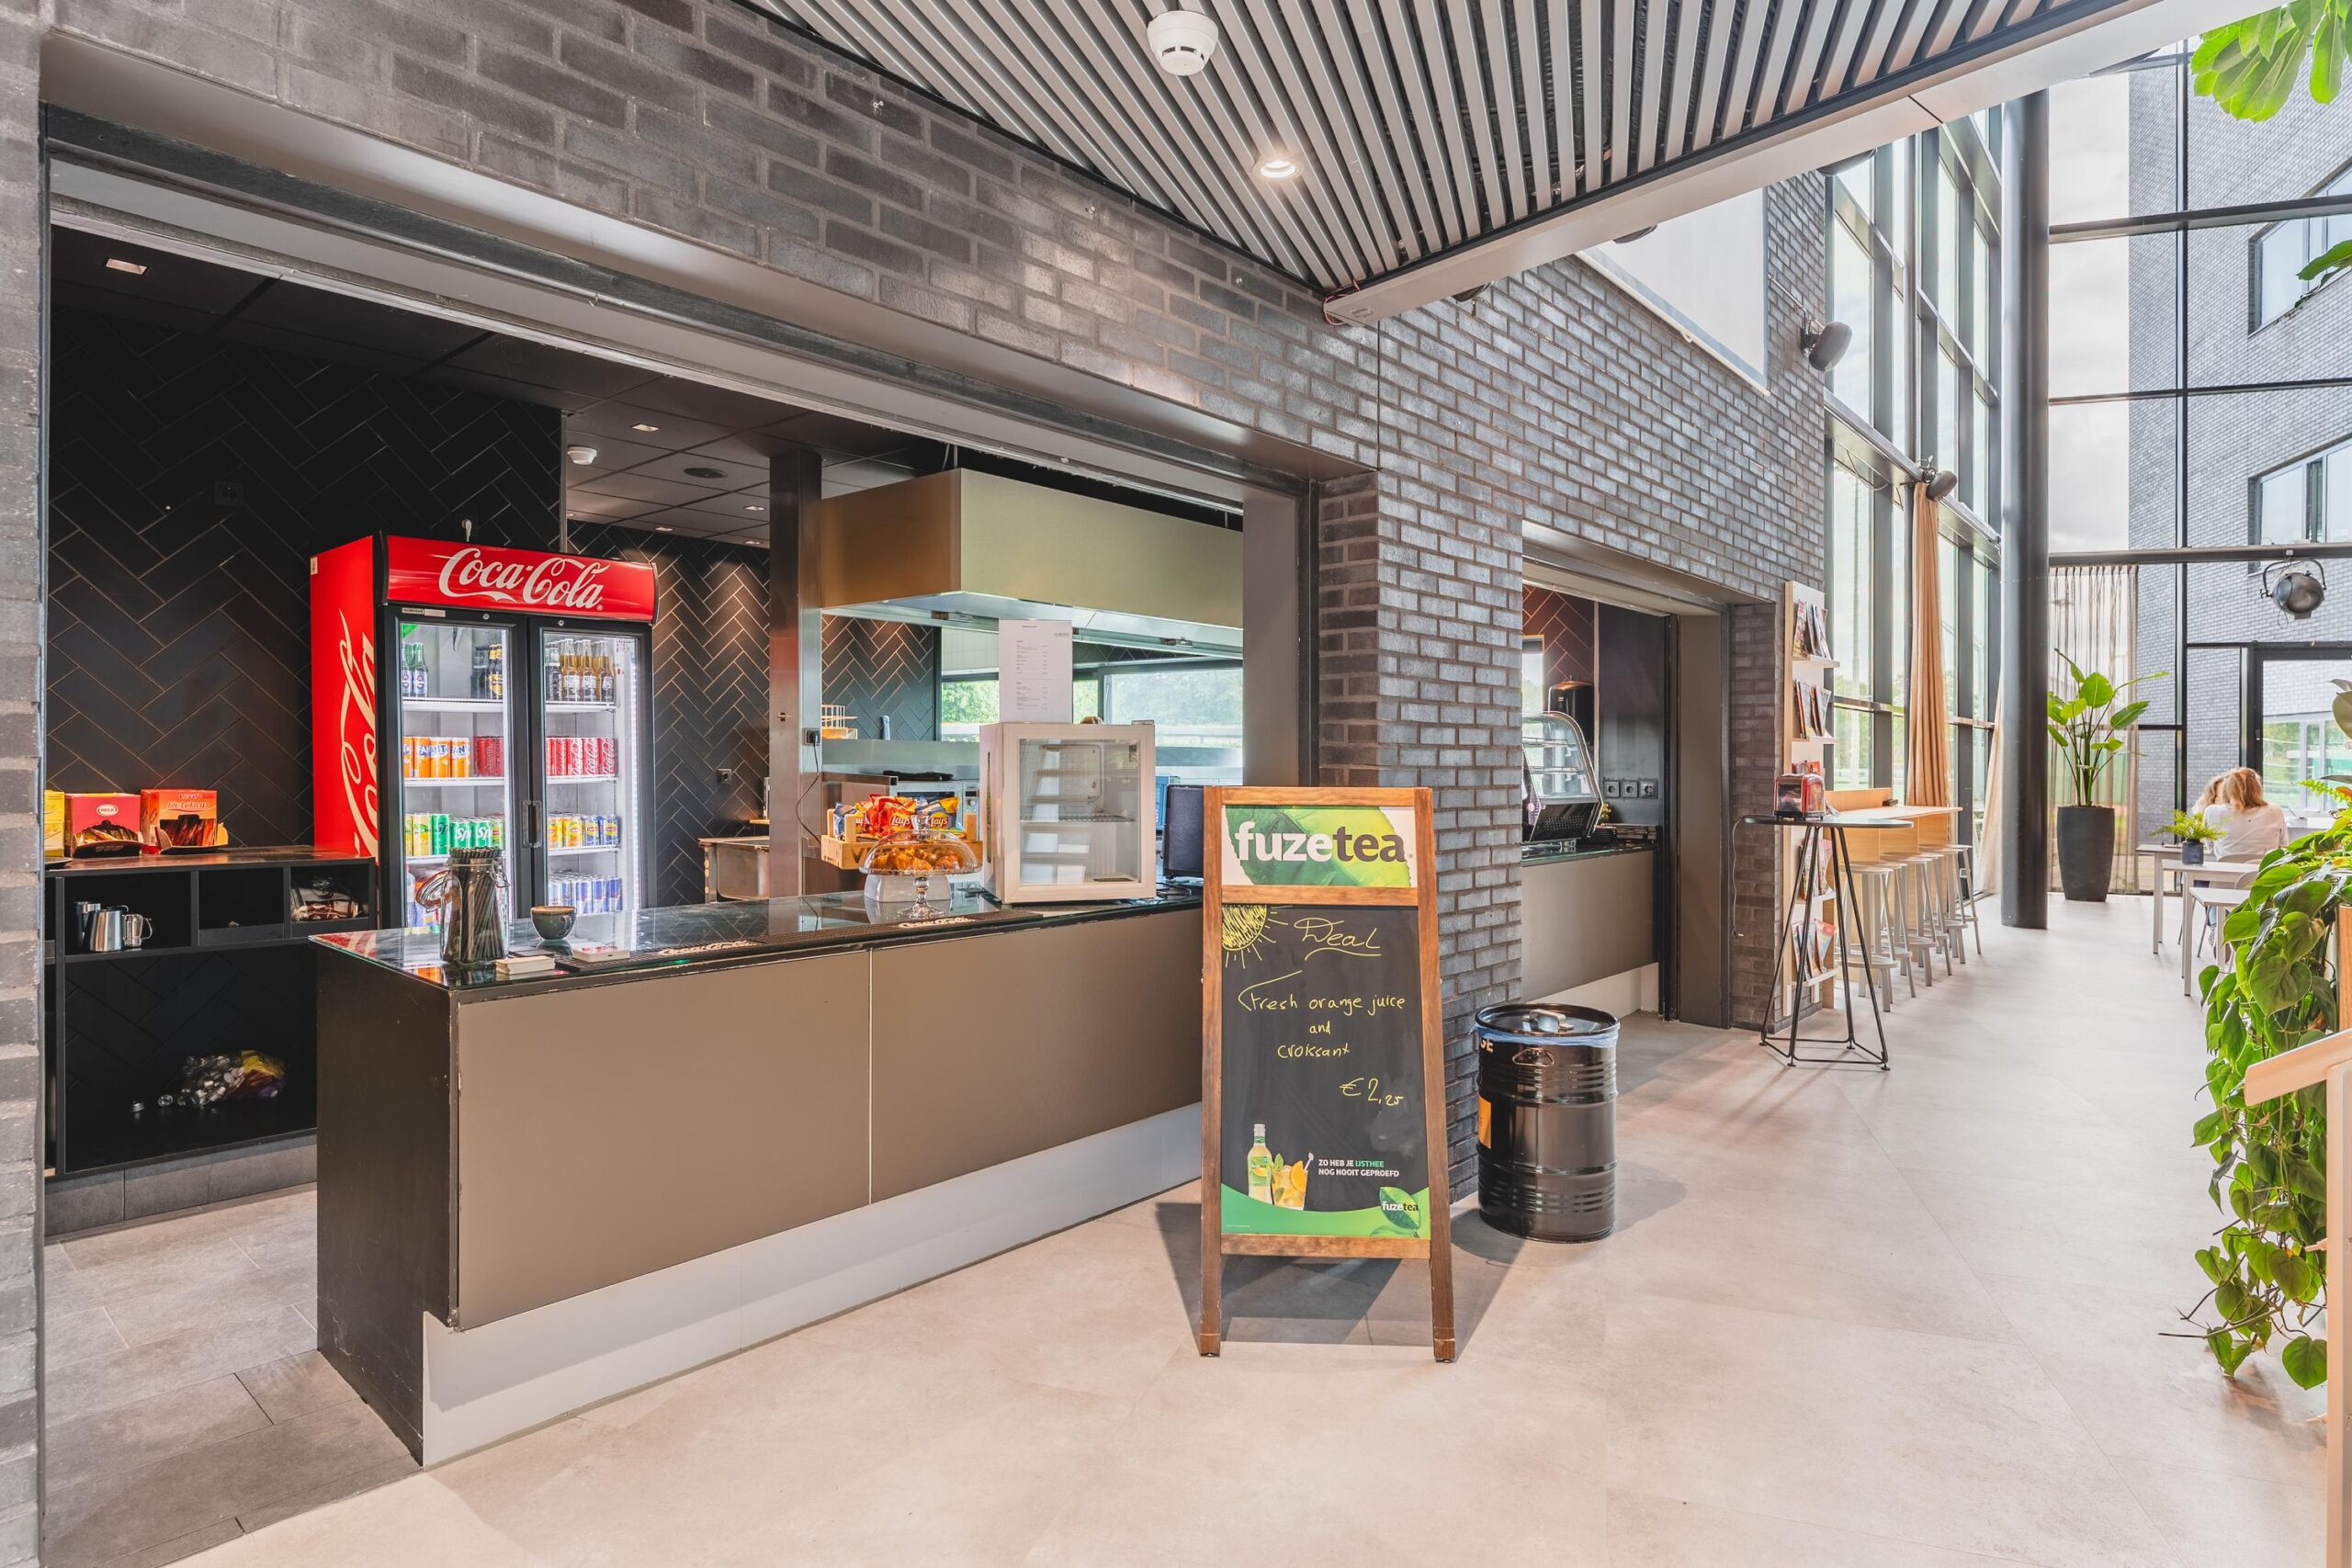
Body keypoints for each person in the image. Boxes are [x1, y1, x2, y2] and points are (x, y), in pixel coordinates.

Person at [2197, 768, 2290, 861]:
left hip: (2226, 871)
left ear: (2227, 790)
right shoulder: (2275, 810)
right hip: (2264, 873)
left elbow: (2211, 847)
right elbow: (2283, 845)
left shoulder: (2212, 811)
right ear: (2257, 788)